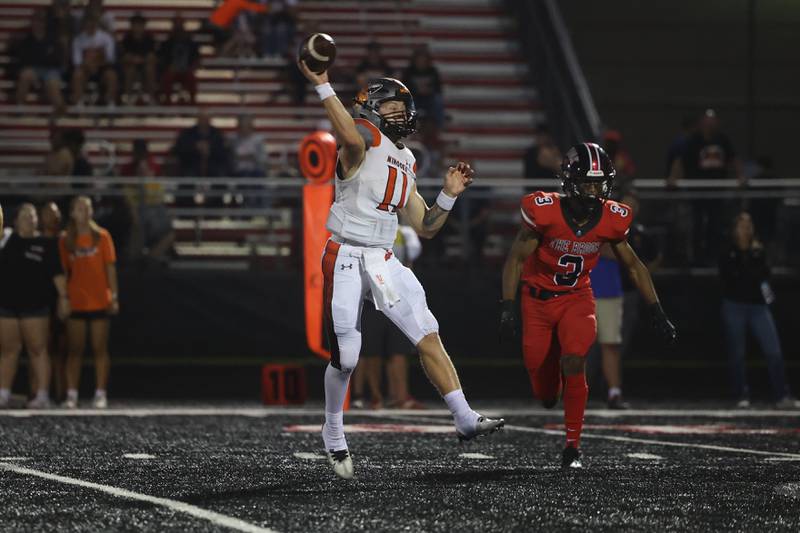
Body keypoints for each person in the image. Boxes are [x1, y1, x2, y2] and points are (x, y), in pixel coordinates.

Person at [297, 61, 504, 479]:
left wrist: (446, 196)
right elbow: (348, 135)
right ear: (372, 109)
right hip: (346, 256)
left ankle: (463, 417)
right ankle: (333, 430)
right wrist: (322, 85)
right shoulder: (362, 139)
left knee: (427, 333)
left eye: (402, 107)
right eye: (392, 107)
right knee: (348, 357)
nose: (401, 113)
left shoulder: (406, 158)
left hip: (384, 258)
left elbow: (425, 226)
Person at [500, 143, 677, 469]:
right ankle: (551, 391)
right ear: (569, 181)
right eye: (587, 183)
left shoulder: (612, 217)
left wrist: (657, 309)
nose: (594, 191)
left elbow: (635, 265)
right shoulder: (545, 210)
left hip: (577, 299)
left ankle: (573, 445)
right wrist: (508, 304)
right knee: (545, 392)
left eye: (599, 183)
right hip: (537, 302)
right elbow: (515, 259)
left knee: (575, 359)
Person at [719, 212, 797, 409]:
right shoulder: (728, 250)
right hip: (734, 305)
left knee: (774, 351)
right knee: (737, 353)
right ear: (735, 228)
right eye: (742, 225)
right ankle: (740, 394)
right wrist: (747, 261)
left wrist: (752, 258)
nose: (746, 228)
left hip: (758, 306)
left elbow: (764, 274)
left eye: (749, 224)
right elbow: (730, 277)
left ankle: (782, 395)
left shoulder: (759, 250)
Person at [0, 204, 69, 409]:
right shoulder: (6, 241)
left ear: (37, 220)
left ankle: (42, 395)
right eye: (24, 215)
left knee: (38, 350)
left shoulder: (46, 244)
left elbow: (58, 274)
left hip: (35, 306)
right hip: (6, 305)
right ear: (15, 219)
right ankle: (3, 393)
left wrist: (64, 297)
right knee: (8, 350)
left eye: (32, 216)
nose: (28, 219)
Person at [353, 225, 426, 410]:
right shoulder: (362, 230)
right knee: (372, 353)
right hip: (371, 299)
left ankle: (401, 397)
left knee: (398, 351)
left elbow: (412, 256)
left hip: (397, 298)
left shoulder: (405, 233)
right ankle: (376, 396)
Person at [59, 196, 119, 409]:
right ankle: (72, 394)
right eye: (79, 208)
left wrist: (113, 295)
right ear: (72, 213)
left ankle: (100, 393)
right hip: (76, 300)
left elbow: (110, 267)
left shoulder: (102, 237)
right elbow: (63, 272)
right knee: (75, 349)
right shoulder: (66, 239)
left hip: (98, 300)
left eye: (87, 208)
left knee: (99, 348)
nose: (83, 212)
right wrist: (63, 298)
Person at [668, 109, 745, 264]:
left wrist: (740, 176)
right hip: (698, 191)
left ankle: (713, 256)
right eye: (707, 122)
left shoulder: (722, 140)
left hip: (717, 191)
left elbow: (734, 158)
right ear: (702, 123)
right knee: (698, 223)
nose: (710, 125)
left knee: (715, 223)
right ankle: (698, 257)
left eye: (712, 122)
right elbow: (680, 160)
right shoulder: (694, 140)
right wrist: (673, 177)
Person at [618, 191, 662, 365]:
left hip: (628, 292)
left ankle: (612, 382)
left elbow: (656, 257)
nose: (627, 208)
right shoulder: (606, 228)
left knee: (622, 337)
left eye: (631, 205)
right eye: (624, 204)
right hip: (602, 292)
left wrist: (642, 276)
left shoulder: (640, 233)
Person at [121, 139, 174, 262]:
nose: (141, 170)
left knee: (170, 234)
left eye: (144, 169)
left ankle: (148, 260)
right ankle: (134, 259)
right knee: (137, 224)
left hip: (154, 217)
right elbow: (128, 200)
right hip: (137, 218)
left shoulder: (154, 174)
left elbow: (157, 199)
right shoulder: (128, 175)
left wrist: (147, 181)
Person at [589, 246, 627, 409]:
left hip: (609, 292)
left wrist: (589, 245)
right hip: (578, 292)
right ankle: (573, 392)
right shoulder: (573, 222)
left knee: (610, 345)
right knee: (576, 347)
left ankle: (614, 392)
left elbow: (622, 253)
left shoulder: (614, 223)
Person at [39, 202, 69, 403]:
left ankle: (62, 393)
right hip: (40, 298)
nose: (53, 216)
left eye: (56, 212)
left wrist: (64, 297)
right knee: (41, 348)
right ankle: (39, 392)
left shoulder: (65, 240)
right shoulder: (35, 240)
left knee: (62, 350)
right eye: (48, 213)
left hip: (62, 297)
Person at [12, 9, 66, 113]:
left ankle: (61, 112)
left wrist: (42, 60)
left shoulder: (53, 40)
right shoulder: (26, 41)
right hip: (33, 70)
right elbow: (23, 61)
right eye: (36, 21)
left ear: (45, 23)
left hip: (51, 71)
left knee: (52, 83)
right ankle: (19, 107)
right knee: (25, 74)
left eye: (41, 21)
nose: (38, 24)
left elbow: (57, 60)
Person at [70, 15, 118, 107]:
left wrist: (97, 63)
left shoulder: (106, 38)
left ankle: (110, 104)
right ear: (84, 25)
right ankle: (79, 104)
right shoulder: (78, 39)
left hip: (102, 68)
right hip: (85, 69)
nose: (90, 26)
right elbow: (77, 61)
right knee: (77, 75)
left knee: (112, 76)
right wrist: (89, 65)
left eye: (93, 23)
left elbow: (110, 58)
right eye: (88, 23)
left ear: (96, 24)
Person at [158, 15, 200, 105]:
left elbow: (197, 59)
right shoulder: (166, 44)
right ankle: (167, 101)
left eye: (180, 24)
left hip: (186, 70)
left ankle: (192, 101)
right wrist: (168, 67)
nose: (178, 28)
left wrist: (191, 68)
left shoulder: (191, 43)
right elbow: (161, 59)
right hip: (171, 70)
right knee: (167, 77)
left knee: (191, 78)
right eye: (176, 24)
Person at [402, 45, 445, 130]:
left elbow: (438, 88)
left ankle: (439, 126)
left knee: (438, 100)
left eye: (423, 59)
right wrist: (417, 90)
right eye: (419, 59)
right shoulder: (409, 72)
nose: (421, 61)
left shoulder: (433, 71)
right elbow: (404, 88)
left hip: (429, 98)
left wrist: (428, 90)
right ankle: (408, 126)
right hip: (414, 98)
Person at [119, 13, 157, 105]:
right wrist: (133, 59)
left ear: (144, 26)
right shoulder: (127, 39)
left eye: (140, 24)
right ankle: (128, 98)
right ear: (132, 26)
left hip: (145, 65)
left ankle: (151, 98)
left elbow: (152, 56)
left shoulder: (149, 38)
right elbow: (124, 56)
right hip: (131, 65)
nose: (138, 27)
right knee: (130, 70)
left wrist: (142, 60)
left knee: (150, 69)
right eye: (135, 24)